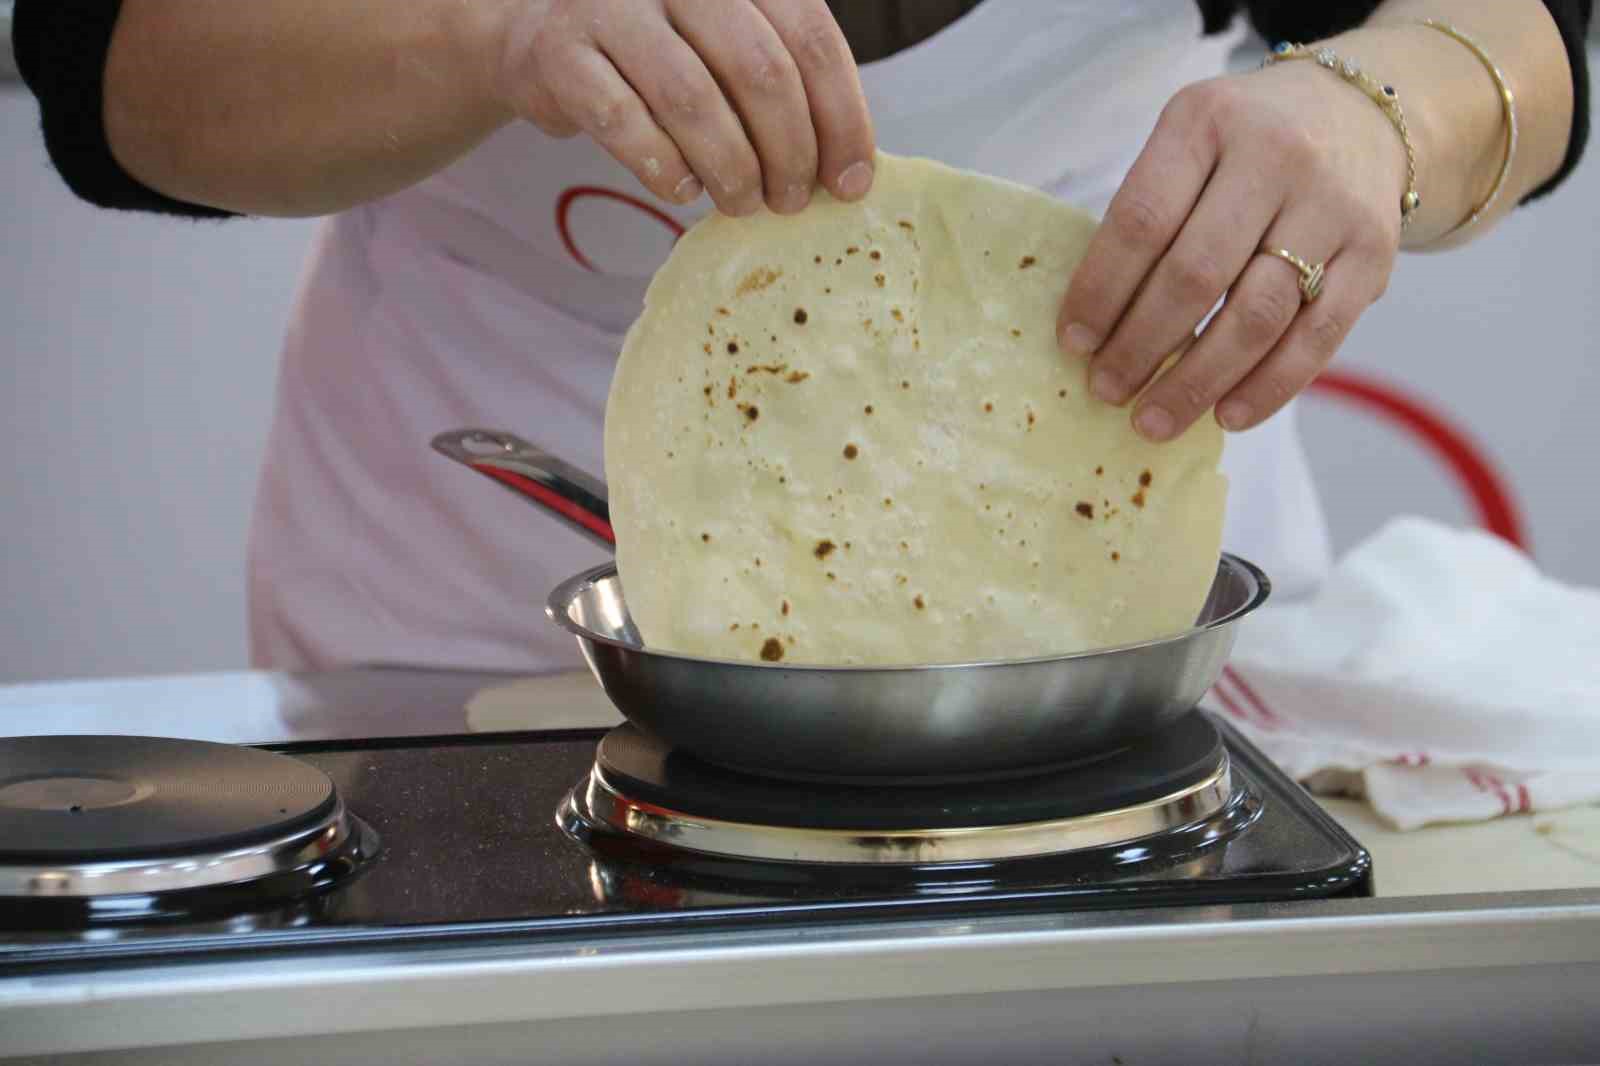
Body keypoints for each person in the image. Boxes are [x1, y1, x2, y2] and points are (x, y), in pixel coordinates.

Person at [14, 0, 1593, 674]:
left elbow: (1526, 27)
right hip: (474, 611)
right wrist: (489, 27)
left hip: (1098, 611)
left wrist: (1382, 111)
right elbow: (117, 67)